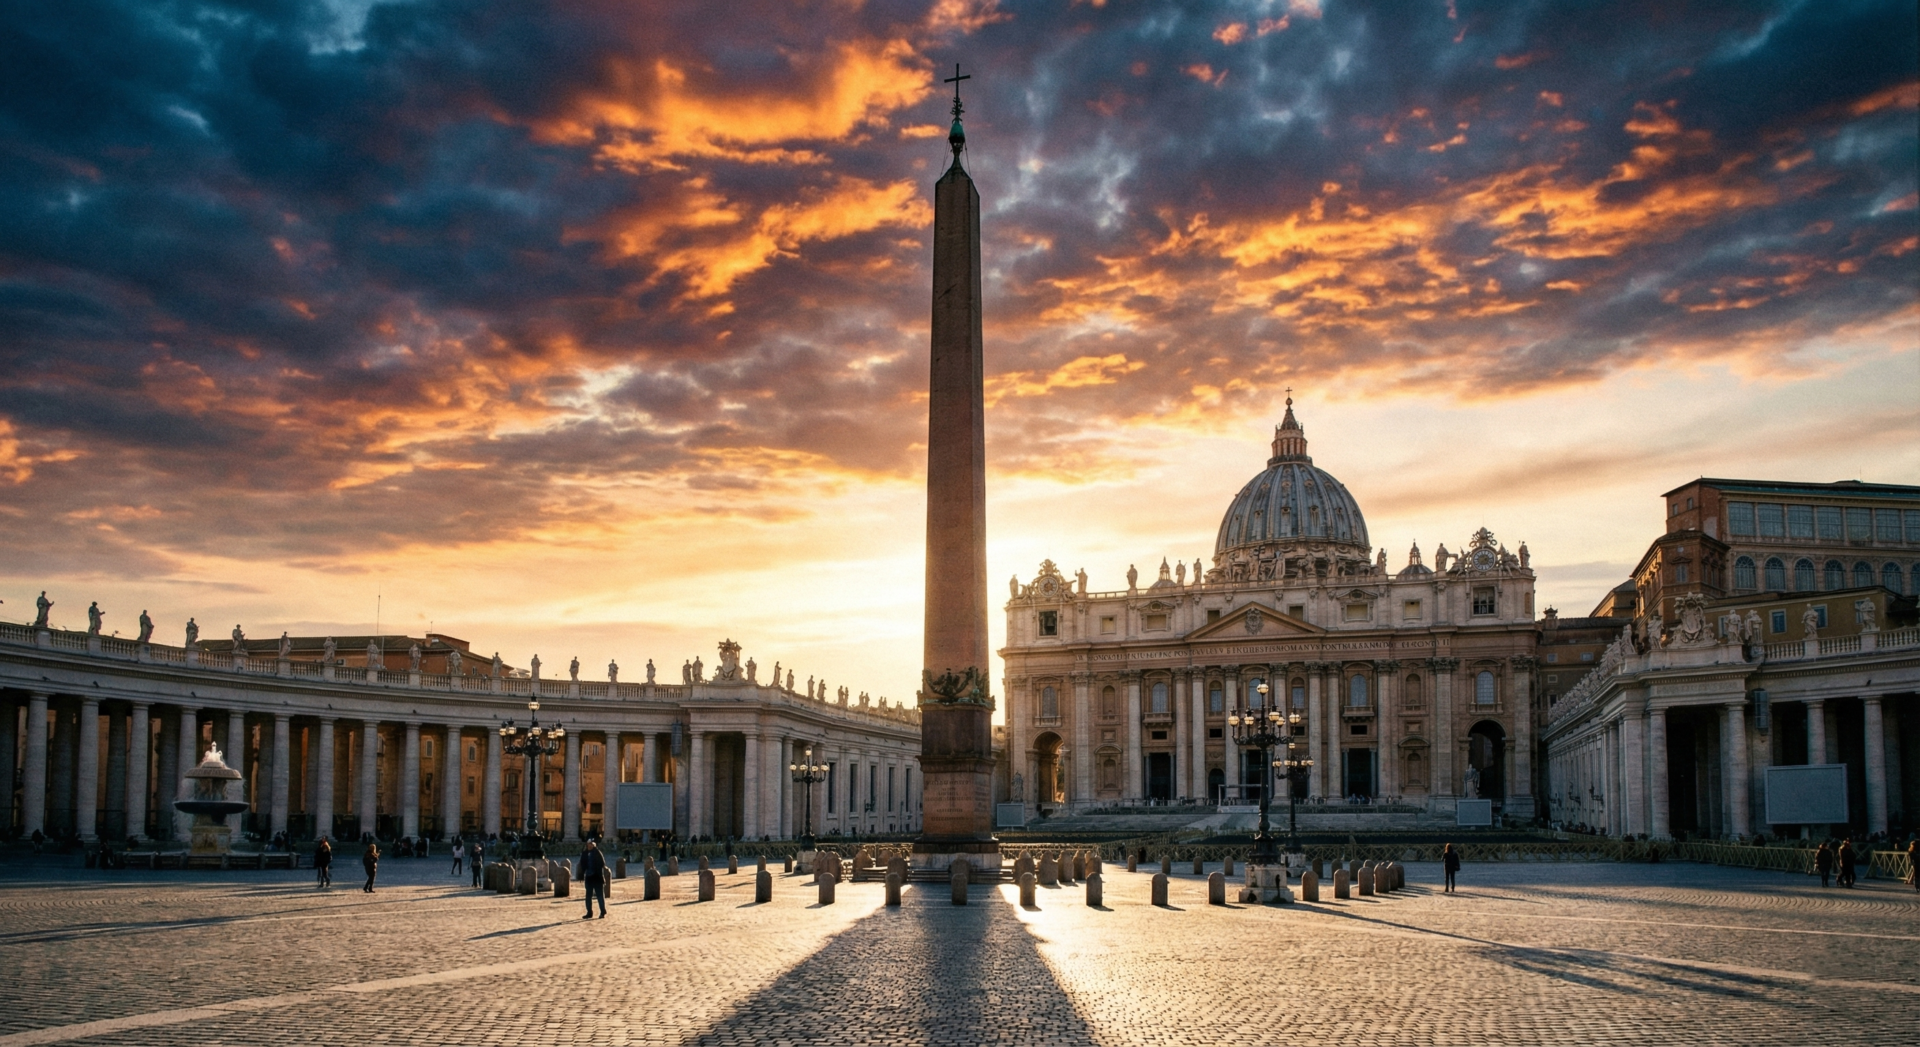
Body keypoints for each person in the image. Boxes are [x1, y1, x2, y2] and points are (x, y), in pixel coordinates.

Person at [578, 839, 609, 919]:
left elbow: (602, 863)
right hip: (588, 877)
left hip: (597, 877)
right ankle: (589, 912)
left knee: (599, 895)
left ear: (594, 845)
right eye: (588, 844)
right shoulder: (584, 853)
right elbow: (582, 864)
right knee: (588, 896)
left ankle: (602, 911)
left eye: (591, 844)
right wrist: (581, 875)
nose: (589, 845)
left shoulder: (597, 853)